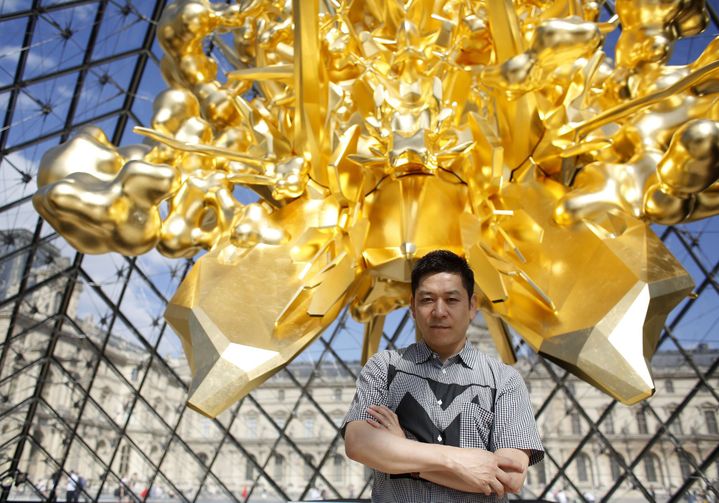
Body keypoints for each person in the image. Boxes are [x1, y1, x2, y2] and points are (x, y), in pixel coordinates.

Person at [342, 250, 544, 502]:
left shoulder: (506, 380)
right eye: (427, 300)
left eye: (451, 299)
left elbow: (509, 478)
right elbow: (359, 443)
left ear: (472, 306)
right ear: (412, 307)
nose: (439, 311)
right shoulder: (383, 367)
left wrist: (403, 452)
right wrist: (457, 461)